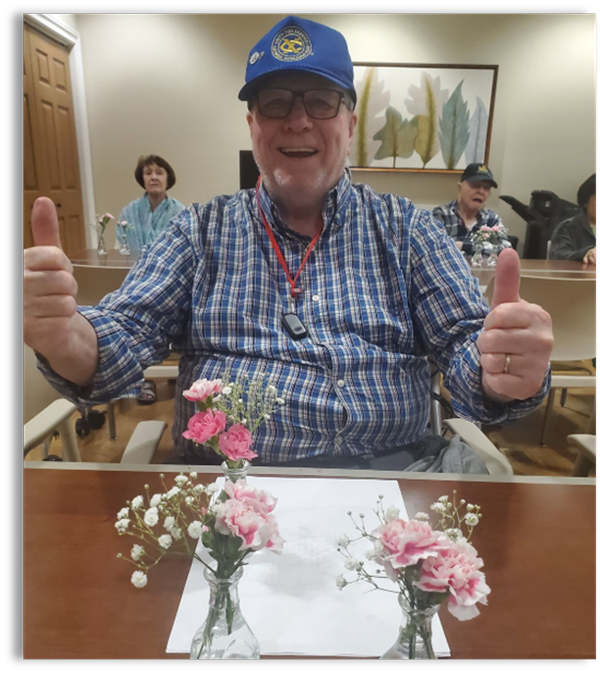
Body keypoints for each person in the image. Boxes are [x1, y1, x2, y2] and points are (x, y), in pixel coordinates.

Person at [23, 16, 553, 470]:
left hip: (394, 477)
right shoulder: (198, 231)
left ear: (348, 121)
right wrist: (68, 338)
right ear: (253, 124)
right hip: (230, 486)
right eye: (275, 102)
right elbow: (126, 332)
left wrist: (501, 370)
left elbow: (466, 345)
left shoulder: (409, 230)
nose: (298, 120)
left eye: (321, 101)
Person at [117, 154, 185, 404]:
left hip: (169, 278)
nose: (153, 177)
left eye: (159, 172)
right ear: (142, 179)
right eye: (148, 173)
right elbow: (124, 246)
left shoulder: (180, 211)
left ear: (168, 178)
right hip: (136, 277)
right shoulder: (129, 212)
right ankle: (142, 378)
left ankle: (176, 374)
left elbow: (181, 250)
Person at [433, 163, 512, 255]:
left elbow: (506, 249)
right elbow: (435, 248)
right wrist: (486, 248)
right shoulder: (441, 215)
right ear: (460, 188)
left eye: (486, 188)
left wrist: (465, 246)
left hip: (484, 269)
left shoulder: (491, 219)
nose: (481, 191)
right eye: (475, 185)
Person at [549, 174, 596, 264]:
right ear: (586, 201)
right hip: (580, 276)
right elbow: (558, 256)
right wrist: (585, 253)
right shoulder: (568, 227)